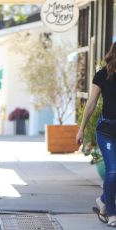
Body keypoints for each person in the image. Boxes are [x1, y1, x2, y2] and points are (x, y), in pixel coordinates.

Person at [76, 42, 116, 227]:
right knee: (113, 171)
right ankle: (111, 213)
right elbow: (91, 102)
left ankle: (103, 200)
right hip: (106, 130)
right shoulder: (103, 74)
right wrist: (81, 129)